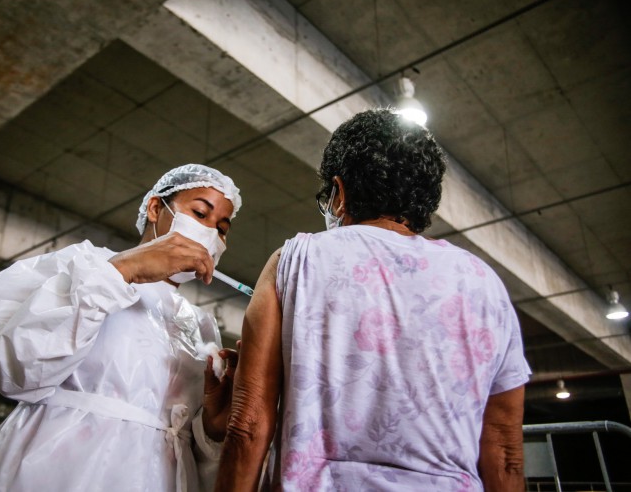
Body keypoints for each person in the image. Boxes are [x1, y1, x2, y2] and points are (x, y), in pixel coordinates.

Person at [216, 109, 532, 491]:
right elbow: (504, 450)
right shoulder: (485, 283)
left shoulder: (294, 261)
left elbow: (247, 424)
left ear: (339, 193)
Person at [0, 164, 242, 492]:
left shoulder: (200, 325)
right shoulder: (84, 265)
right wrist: (122, 270)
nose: (209, 233)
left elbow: (184, 443)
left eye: (221, 228)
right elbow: (13, 368)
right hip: (55, 470)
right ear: (154, 208)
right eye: (200, 213)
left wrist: (212, 431)